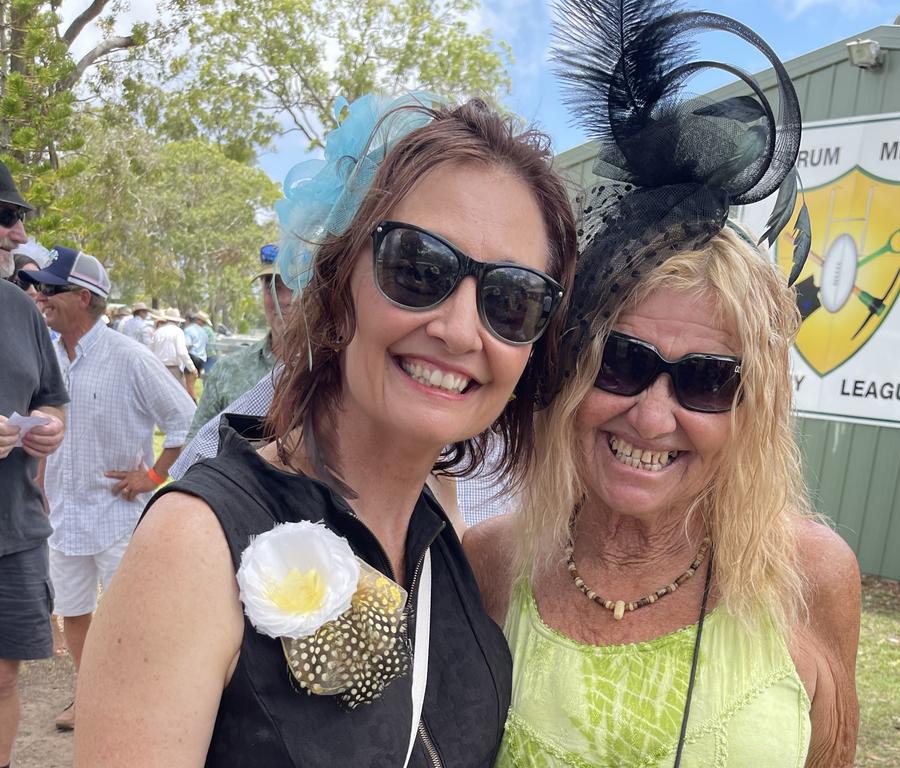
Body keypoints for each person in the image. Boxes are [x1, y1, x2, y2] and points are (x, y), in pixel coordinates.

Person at [74, 93, 577, 766]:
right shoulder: (196, 543)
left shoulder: (442, 538)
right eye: (418, 268)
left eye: (512, 301)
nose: (459, 330)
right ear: (339, 281)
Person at [464, 6, 860, 768]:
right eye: (622, 362)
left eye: (707, 381)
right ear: (573, 367)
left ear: (753, 410)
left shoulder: (813, 577)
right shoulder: (492, 561)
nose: (651, 416)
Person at [18, 246, 196, 732]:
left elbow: (186, 421)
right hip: (62, 515)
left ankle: (136, 703)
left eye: (50, 289)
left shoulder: (131, 358)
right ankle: (91, 694)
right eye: (38, 288)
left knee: (128, 618)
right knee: (73, 613)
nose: (40, 296)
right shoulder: (45, 357)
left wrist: (154, 477)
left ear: (82, 296)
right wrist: (37, 482)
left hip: (118, 516)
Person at [0, 162, 68, 768]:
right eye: (5, 217)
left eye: (17, 218)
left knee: (3, 681)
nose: (18, 234)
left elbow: (51, 396)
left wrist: (48, 428)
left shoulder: (19, 309)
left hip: (12, 531)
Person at [185, 244, 292, 439]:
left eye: (295, 286)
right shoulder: (229, 370)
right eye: (272, 287)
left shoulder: (339, 372)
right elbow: (194, 446)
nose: (282, 299)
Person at [151, 307, 198, 398]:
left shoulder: (158, 332)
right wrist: (192, 368)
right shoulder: (178, 332)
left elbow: (151, 350)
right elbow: (182, 352)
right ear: (177, 321)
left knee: (161, 395)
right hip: (173, 368)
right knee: (179, 395)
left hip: (158, 367)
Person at [184, 311, 210, 377]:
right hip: (201, 359)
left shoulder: (189, 330)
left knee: (188, 383)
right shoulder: (204, 332)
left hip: (192, 357)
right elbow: (206, 344)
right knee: (193, 381)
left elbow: (188, 345)